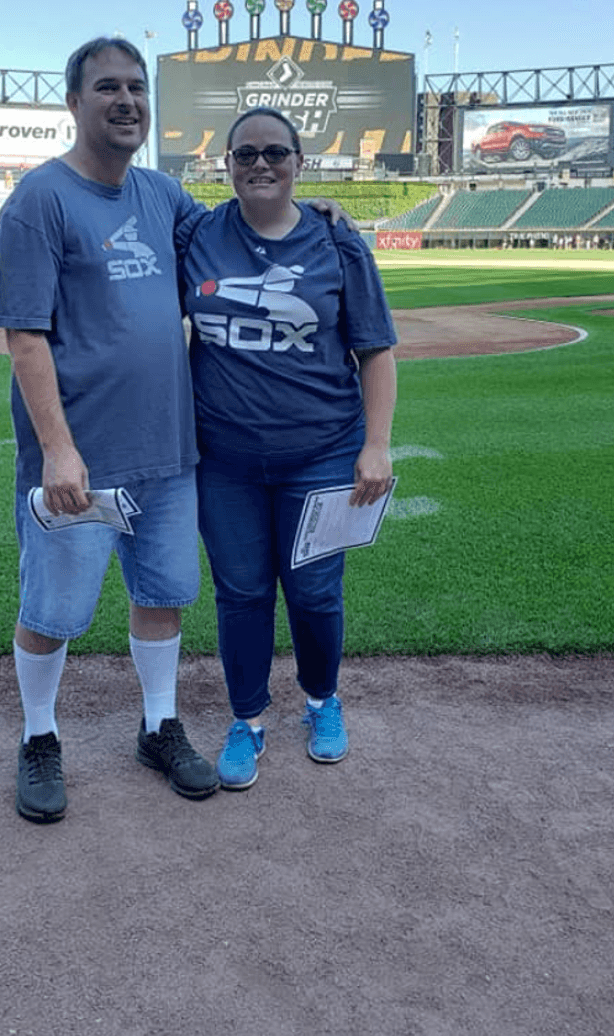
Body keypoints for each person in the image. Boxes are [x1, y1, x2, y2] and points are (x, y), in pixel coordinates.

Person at [0, 40, 351, 823]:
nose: (125, 100)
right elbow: (25, 337)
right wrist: (56, 448)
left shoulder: (160, 195)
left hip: (171, 452)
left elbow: (238, 223)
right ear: (75, 103)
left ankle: (158, 726)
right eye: (106, 87)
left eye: (135, 87)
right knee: (53, 612)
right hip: (80, 458)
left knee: (163, 597)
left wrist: (309, 212)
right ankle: (39, 736)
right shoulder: (38, 200)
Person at [180, 107, 398, 790]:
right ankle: (247, 719)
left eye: (275, 152)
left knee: (313, 592)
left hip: (323, 452)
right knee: (240, 592)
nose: (260, 164)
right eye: (245, 154)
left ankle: (320, 700)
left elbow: (376, 349)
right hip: (225, 459)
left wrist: (378, 444)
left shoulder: (337, 243)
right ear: (227, 166)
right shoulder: (196, 233)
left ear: (300, 163)